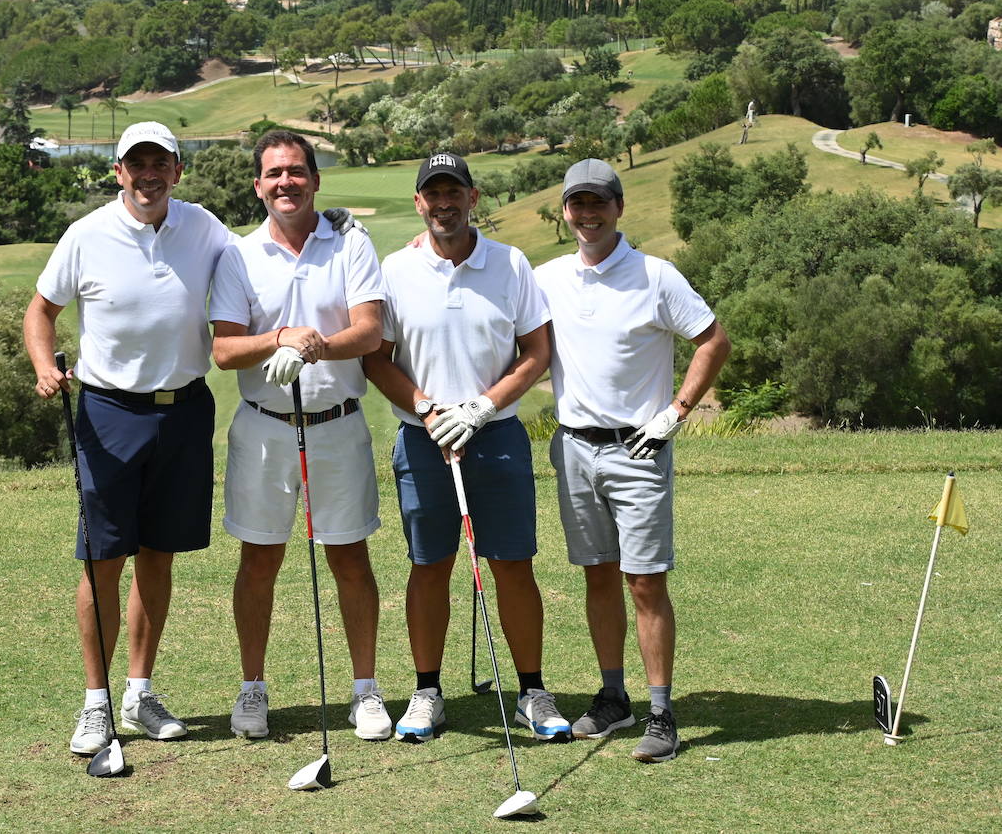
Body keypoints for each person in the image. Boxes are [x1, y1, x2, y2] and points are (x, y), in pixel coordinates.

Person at [23, 121, 236, 757]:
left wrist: (332, 230)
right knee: (102, 556)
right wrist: (43, 366)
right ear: (119, 171)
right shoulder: (86, 234)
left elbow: (264, 255)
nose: (148, 173)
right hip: (108, 411)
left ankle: (139, 692)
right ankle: (97, 705)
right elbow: (41, 310)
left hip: (184, 411)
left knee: (159, 553)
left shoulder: (203, 227)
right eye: (135, 163)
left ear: (177, 170)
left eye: (159, 163)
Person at [363, 152, 570, 744]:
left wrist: (483, 405)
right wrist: (427, 407)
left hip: (497, 435)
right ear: (419, 202)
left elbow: (537, 350)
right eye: (434, 194)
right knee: (429, 566)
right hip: (422, 438)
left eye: (455, 192)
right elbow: (377, 357)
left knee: (512, 565)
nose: (444, 203)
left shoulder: (510, 263)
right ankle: (427, 692)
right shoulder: (395, 270)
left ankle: (531, 689)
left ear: (473, 198)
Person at [533, 158, 730, 763]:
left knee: (644, 581)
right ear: (565, 211)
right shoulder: (546, 277)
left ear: (619, 208)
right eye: (577, 204)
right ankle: (613, 696)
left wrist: (677, 410)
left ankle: (661, 712)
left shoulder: (655, 274)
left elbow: (713, 341)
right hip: (572, 447)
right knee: (597, 574)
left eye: (599, 204)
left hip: (638, 447)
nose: (587, 215)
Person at [209, 130, 392, 742]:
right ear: (258, 186)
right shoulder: (239, 255)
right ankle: (252, 687)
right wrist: (280, 339)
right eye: (273, 173)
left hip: (337, 426)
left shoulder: (350, 244)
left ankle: (365, 690)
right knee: (259, 560)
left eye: (296, 171)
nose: (285, 182)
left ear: (315, 179)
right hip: (264, 429)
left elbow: (369, 331)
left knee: (349, 557)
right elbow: (226, 349)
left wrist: (314, 347)